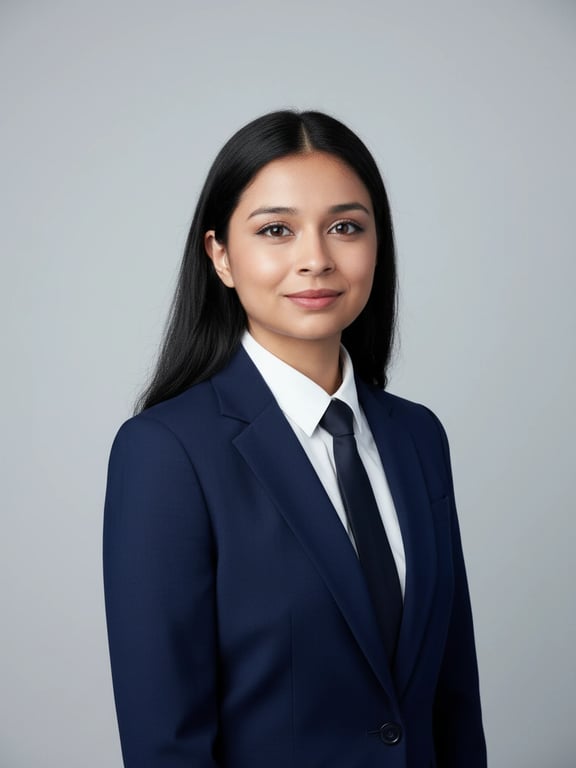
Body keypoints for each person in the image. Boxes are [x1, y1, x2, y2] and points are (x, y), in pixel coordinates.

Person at [103, 109, 487, 768]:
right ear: (220, 255)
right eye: (276, 230)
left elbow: (452, 703)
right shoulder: (166, 452)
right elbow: (166, 741)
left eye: (345, 227)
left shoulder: (418, 436)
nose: (316, 259)